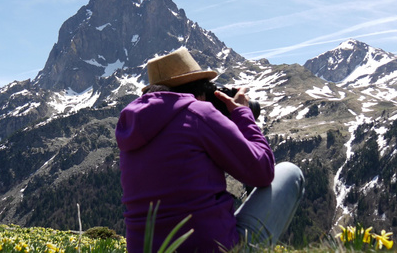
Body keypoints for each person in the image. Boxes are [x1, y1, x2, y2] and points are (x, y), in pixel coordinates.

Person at [116, 47, 304, 252]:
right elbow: (263, 171)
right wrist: (243, 114)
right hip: (214, 248)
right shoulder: (198, 112)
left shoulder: (131, 128)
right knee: (290, 172)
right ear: (200, 92)